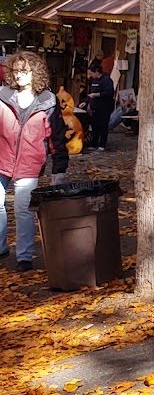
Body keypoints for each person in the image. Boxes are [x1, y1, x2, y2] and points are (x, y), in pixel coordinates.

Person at [0, 50, 70, 273]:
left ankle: (24, 256)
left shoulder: (48, 101)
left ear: (34, 72)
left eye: (24, 71)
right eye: (15, 71)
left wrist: (60, 168)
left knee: (23, 209)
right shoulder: (2, 96)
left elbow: (57, 136)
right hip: (2, 158)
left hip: (30, 164)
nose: (19, 75)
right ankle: (1, 248)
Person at [84, 58, 116, 151]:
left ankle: (102, 145)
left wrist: (97, 95)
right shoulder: (93, 81)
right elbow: (90, 93)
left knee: (103, 126)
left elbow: (109, 93)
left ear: (97, 72)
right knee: (94, 126)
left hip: (104, 107)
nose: (90, 76)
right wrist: (86, 102)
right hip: (95, 107)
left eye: (91, 73)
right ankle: (93, 144)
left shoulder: (107, 80)